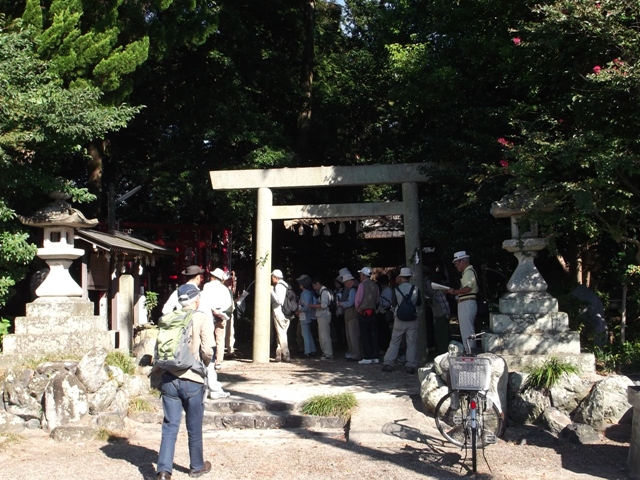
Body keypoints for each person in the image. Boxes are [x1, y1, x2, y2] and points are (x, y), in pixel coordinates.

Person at [156, 283, 214, 480]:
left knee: (170, 425)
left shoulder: (168, 318)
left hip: (169, 378)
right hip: (192, 379)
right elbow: (207, 351)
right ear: (196, 300)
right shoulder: (201, 318)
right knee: (194, 425)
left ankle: (164, 470)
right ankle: (197, 466)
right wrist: (203, 364)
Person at [382, 267, 422, 374]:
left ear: (400, 277)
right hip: (412, 318)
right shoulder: (415, 289)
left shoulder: (396, 289)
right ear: (409, 277)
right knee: (411, 342)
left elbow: (394, 304)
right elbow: (419, 303)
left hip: (399, 318)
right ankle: (411, 364)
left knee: (395, 341)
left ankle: (388, 362)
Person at [201, 267, 232, 370]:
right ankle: (219, 361)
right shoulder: (224, 289)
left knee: (207, 336)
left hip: (208, 313)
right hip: (221, 314)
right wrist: (220, 311)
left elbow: (204, 299)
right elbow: (228, 303)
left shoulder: (207, 286)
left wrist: (212, 309)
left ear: (213, 277)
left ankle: (208, 359)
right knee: (220, 338)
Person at [447, 251, 479, 350]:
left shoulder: (469, 272)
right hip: (466, 302)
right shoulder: (468, 272)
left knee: (467, 330)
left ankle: (470, 351)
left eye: (457, 263)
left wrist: (454, 291)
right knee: (466, 329)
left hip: (467, 302)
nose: (456, 266)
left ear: (462, 261)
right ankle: (469, 350)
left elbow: (467, 289)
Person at [355, 267, 380, 365]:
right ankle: (375, 356)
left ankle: (367, 356)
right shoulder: (375, 286)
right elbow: (377, 300)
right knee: (373, 334)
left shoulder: (362, 285)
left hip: (363, 312)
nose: (360, 276)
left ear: (364, 275)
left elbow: (358, 300)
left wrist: (358, 309)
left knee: (365, 334)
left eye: (361, 274)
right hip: (373, 311)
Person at [425, 269, 451, 356]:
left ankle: (443, 353)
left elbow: (443, 305)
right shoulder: (438, 292)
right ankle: (443, 352)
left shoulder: (437, 292)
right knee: (442, 335)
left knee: (442, 336)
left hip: (440, 315)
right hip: (441, 315)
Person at [338, 271, 361, 362]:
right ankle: (354, 352)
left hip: (352, 314)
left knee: (353, 335)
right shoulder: (356, 288)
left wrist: (341, 303)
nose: (345, 285)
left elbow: (351, 302)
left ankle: (356, 354)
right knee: (352, 335)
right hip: (353, 314)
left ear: (348, 281)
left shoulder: (352, 290)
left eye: (345, 283)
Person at [310, 278, 334, 360]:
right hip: (322, 315)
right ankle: (325, 352)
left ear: (318, 283)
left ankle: (328, 353)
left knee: (324, 335)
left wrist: (313, 306)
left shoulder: (324, 292)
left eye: (314, 286)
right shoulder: (323, 292)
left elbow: (324, 305)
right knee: (322, 335)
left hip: (324, 315)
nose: (314, 288)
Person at [270, 269, 291, 362]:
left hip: (279, 312)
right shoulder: (286, 285)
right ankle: (278, 354)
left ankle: (286, 354)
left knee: (281, 334)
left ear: (276, 277)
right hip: (287, 313)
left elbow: (279, 301)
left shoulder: (278, 286)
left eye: (272, 277)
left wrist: (271, 291)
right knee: (282, 333)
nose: (271, 279)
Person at [296, 274, 317, 358]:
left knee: (305, 334)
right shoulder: (306, 293)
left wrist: (299, 311)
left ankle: (307, 351)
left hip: (304, 316)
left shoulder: (306, 293)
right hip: (305, 315)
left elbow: (306, 306)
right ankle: (312, 350)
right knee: (308, 334)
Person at [376, 274, 393, 354]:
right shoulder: (383, 290)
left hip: (385, 311)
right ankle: (383, 346)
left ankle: (385, 347)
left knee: (385, 331)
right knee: (382, 330)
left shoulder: (388, 291)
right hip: (381, 312)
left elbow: (389, 303)